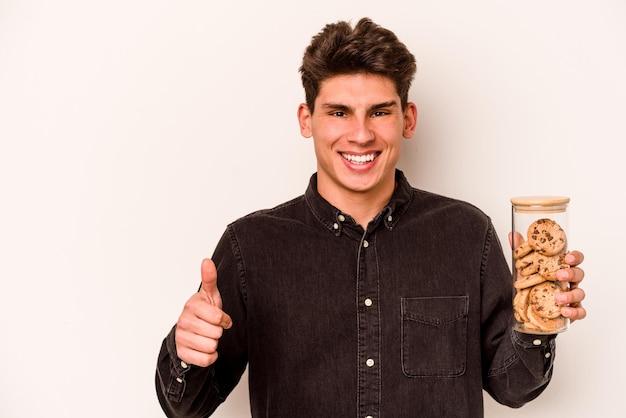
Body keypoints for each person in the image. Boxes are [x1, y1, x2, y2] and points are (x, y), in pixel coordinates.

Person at [155, 17, 587, 418]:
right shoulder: (249, 247)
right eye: (339, 112)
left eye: (380, 111)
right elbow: (186, 408)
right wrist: (186, 348)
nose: (360, 134)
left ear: (408, 118)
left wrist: (538, 320)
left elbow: (513, 388)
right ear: (307, 120)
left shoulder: (468, 234)